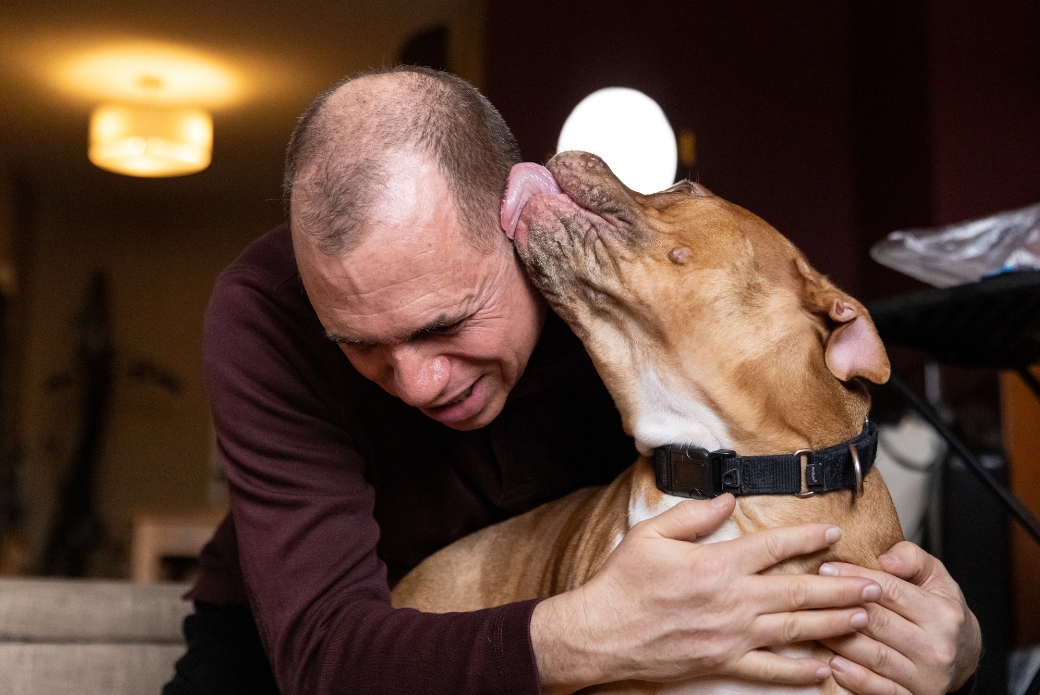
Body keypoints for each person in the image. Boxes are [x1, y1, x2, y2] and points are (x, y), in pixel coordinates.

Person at [165, 66, 981, 695]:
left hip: (587, 569)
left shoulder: (640, 298)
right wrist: (593, 631)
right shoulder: (264, 311)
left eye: (446, 323)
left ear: (520, 216)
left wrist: (954, 645)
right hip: (329, 631)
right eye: (361, 345)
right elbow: (326, 653)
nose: (414, 382)